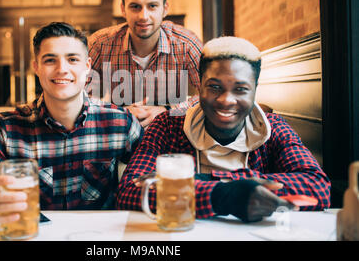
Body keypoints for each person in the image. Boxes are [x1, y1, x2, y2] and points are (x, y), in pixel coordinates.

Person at [0, 22, 143, 224]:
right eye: (50, 60)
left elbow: (155, 174)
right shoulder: (7, 129)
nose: (62, 69)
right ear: (36, 67)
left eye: (72, 59)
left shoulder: (119, 122)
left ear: (87, 66)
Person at [116, 36, 331, 222]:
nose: (226, 100)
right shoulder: (168, 126)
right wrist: (223, 195)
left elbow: (317, 186)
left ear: (255, 90)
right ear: (199, 87)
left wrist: (202, 181)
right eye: (215, 87)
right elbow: (130, 190)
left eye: (240, 89)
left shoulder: (273, 127)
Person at [86, 0, 203, 128]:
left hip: (169, 130)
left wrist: (168, 110)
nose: (143, 16)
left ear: (165, 8)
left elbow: (210, 93)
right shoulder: (99, 44)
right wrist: (118, 112)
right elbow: (78, 95)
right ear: (123, 9)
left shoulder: (186, 43)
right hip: (118, 130)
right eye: (135, 7)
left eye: (152, 6)